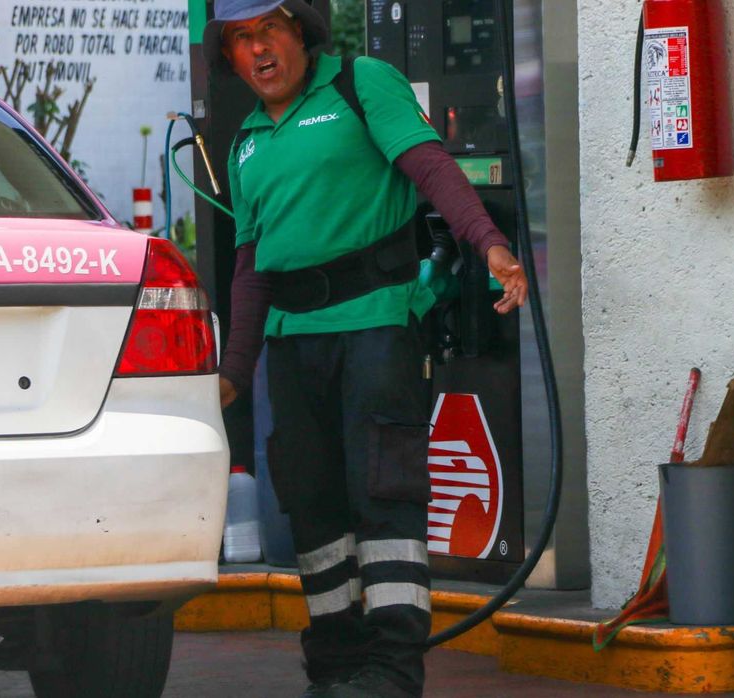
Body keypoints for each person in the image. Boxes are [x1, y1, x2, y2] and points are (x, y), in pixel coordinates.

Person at [204, 1, 529, 696]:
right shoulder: (247, 140)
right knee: (315, 507)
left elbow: (432, 167)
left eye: (270, 31)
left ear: (301, 32)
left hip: (375, 326)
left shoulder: (360, 81)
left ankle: (391, 666)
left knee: (385, 498)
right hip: (293, 346)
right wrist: (234, 373)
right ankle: (337, 660)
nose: (259, 50)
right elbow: (250, 266)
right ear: (229, 57)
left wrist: (490, 245)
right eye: (240, 40)